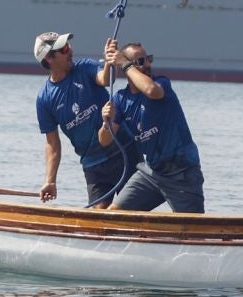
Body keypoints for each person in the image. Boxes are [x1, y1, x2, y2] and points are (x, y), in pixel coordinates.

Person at [33, 30, 134, 207]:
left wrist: (110, 61)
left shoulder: (85, 67)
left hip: (124, 150)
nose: (70, 50)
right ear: (49, 58)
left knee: (133, 210)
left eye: (68, 45)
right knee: (99, 215)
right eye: (63, 49)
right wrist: (50, 180)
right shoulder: (44, 98)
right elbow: (52, 143)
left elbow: (105, 79)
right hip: (93, 164)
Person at [101, 41, 205, 213]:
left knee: (193, 227)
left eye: (148, 59)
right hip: (151, 172)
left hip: (182, 172)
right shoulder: (120, 99)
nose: (148, 64)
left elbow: (151, 90)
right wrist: (106, 122)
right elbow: (104, 141)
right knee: (115, 212)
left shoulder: (161, 82)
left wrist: (126, 63)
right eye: (141, 62)